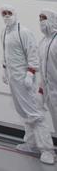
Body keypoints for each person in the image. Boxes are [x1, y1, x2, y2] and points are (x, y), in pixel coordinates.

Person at [0, 6, 53, 164]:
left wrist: (30, 73)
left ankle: (47, 150)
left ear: (15, 14)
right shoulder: (4, 32)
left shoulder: (23, 32)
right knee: (24, 112)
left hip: (25, 80)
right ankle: (32, 144)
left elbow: (32, 53)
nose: (7, 16)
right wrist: (4, 70)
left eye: (10, 13)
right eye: (4, 13)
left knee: (35, 114)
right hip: (13, 79)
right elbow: (5, 53)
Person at [37, 9, 57, 147]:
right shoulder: (43, 42)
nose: (41, 22)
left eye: (44, 18)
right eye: (40, 19)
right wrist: (41, 89)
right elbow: (43, 68)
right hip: (49, 90)